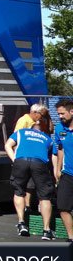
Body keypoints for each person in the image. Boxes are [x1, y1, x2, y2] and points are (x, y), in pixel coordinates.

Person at [4, 119, 56, 240]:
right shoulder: (48, 139)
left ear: (31, 128)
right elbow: (52, 155)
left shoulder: (21, 132)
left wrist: (15, 159)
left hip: (21, 160)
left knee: (19, 191)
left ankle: (22, 223)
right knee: (45, 196)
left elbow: (7, 145)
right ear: (42, 131)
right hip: (39, 163)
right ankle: (47, 230)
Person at [13, 103, 51, 212]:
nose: (42, 117)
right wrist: (16, 157)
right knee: (25, 183)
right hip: (23, 156)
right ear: (34, 112)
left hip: (37, 156)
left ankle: (31, 205)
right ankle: (26, 206)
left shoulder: (38, 122)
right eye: (41, 115)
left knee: (33, 183)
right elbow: (16, 138)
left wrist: (47, 117)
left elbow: (50, 130)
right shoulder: (24, 120)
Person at [53, 99, 73, 243]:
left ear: (72, 111)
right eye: (58, 114)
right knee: (63, 207)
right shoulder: (59, 128)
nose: (60, 116)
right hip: (67, 174)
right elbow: (60, 148)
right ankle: (71, 237)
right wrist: (58, 169)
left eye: (62, 113)